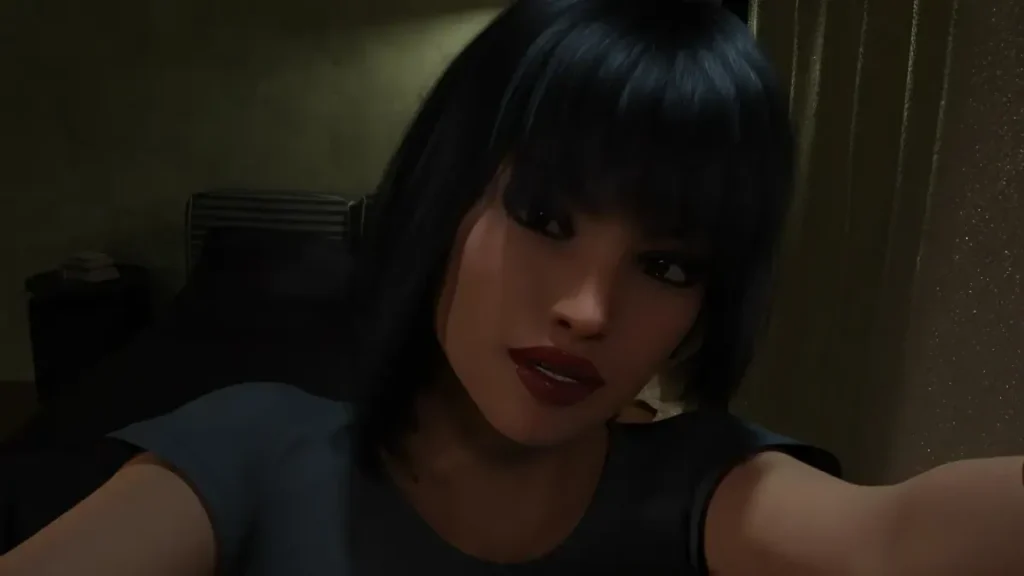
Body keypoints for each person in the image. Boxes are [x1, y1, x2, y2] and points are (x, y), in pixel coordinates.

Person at [2, 1, 1022, 575]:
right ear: (445, 199)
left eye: (666, 266)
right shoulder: (251, 448)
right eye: (544, 218)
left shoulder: (706, 487)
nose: (588, 309)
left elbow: (899, 538)